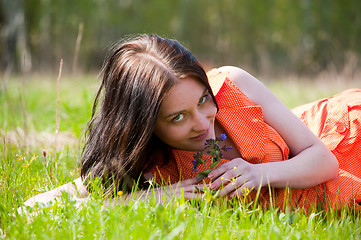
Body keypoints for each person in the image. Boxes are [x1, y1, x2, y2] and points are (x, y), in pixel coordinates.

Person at [24, 34, 361, 211]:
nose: (202, 123)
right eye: (178, 117)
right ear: (144, 126)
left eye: (202, 100)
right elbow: (34, 208)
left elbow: (324, 160)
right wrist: (156, 197)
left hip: (345, 139)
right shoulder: (153, 164)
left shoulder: (232, 85)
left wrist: (261, 173)